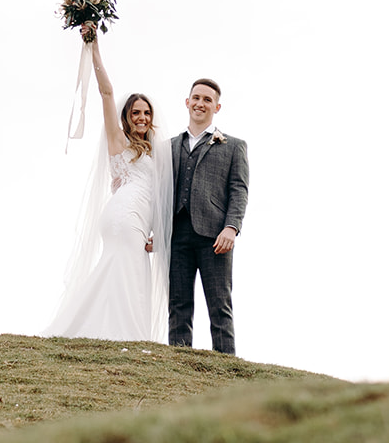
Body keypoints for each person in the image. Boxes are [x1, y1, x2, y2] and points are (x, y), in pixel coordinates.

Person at [47, 27, 172, 341]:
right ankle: (127, 335)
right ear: (126, 116)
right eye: (135, 112)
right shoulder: (118, 140)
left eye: (146, 113)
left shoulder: (157, 150)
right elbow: (106, 93)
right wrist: (94, 46)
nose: (142, 117)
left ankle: (105, 330)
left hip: (137, 218)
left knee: (127, 269)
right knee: (129, 268)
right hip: (124, 214)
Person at [168, 78, 249, 355]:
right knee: (178, 304)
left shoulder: (233, 146)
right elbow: (159, 192)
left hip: (215, 237)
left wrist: (231, 227)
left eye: (207, 99)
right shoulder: (169, 146)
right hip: (176, 234)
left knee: (219, 304)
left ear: (217, 107)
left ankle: (226, 367)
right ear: (187, 102)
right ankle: (178, 365)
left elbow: (239, 189)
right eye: (196, 98)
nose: (200, 103)